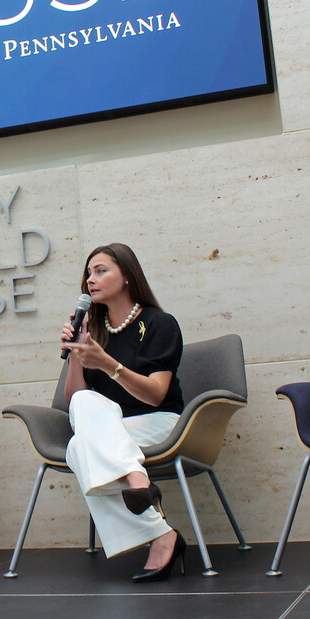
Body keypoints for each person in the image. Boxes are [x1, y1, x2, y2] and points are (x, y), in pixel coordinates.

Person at [59, 244, 187, 582]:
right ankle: (155, 523)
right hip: (111, 428)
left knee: (79, 448)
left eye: (101, 270)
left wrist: (107, 364)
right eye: (88, 273)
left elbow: (157, 395)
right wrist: (76, 356)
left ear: (127, 277)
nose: (91, 280)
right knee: (82, 414)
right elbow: (74, 400)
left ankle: (156, 531)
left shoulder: (159, 323)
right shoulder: (93, 332)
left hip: (160, 423)